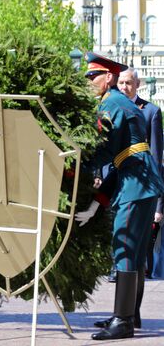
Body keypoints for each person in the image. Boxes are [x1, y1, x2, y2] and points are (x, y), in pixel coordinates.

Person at [75, 53, 164, 340]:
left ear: (108, 77)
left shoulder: (111, 103)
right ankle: (128, 315)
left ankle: (123, 320)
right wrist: (96, 203)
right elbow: (118, 159)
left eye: (93, 76)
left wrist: (75, 162)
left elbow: (102, 150)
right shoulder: (118, 102)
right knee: (135, 253)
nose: (89, 82)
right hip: (136, 178)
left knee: (124, 246)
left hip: (136, 182)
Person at [117, 67, 163, 282]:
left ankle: (135, 273)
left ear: (137, 84)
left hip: (140, 184)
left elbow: (155, 158)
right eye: (121, 83)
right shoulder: (111, 107)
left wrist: (159, 204)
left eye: (128, 83)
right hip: (115, 181)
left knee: (137, 237)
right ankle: (116, 269)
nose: (124, 87)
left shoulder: (150, 111)